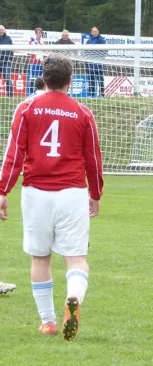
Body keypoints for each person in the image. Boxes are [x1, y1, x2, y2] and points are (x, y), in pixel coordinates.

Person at [0, 54, 104, 340]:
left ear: (44, 79)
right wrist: (95, 193)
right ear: (70, 82)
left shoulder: (26, 108)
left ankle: (48, 322)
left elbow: (14, 154)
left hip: (36, 193)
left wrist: (2, 190)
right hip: (72, 193)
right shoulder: (83, 113)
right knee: (76, 258)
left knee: (40, 257)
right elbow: (93, 159)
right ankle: (73, 297)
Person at [85, 26, 106, 98]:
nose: (94, 33)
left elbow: (104, 52)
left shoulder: (102, 41)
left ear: (98, 32)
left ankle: (102, 95)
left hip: (99, 65)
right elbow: (86, 52)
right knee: (91, 81)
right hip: (90, 65)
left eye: (95, 31)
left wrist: (98, 59)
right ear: (91, 32)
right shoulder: (88, 41)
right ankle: (91, 95)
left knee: (100, 80)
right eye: (93, 31)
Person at [0, 25, 14, 98]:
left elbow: (12, 49)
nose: (1, 31)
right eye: (0, 30)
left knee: (8, 79)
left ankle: (10, 96)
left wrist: (10, 58)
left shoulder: (8, 38)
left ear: (4, 30)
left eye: (2, 30)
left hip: (6, 62)